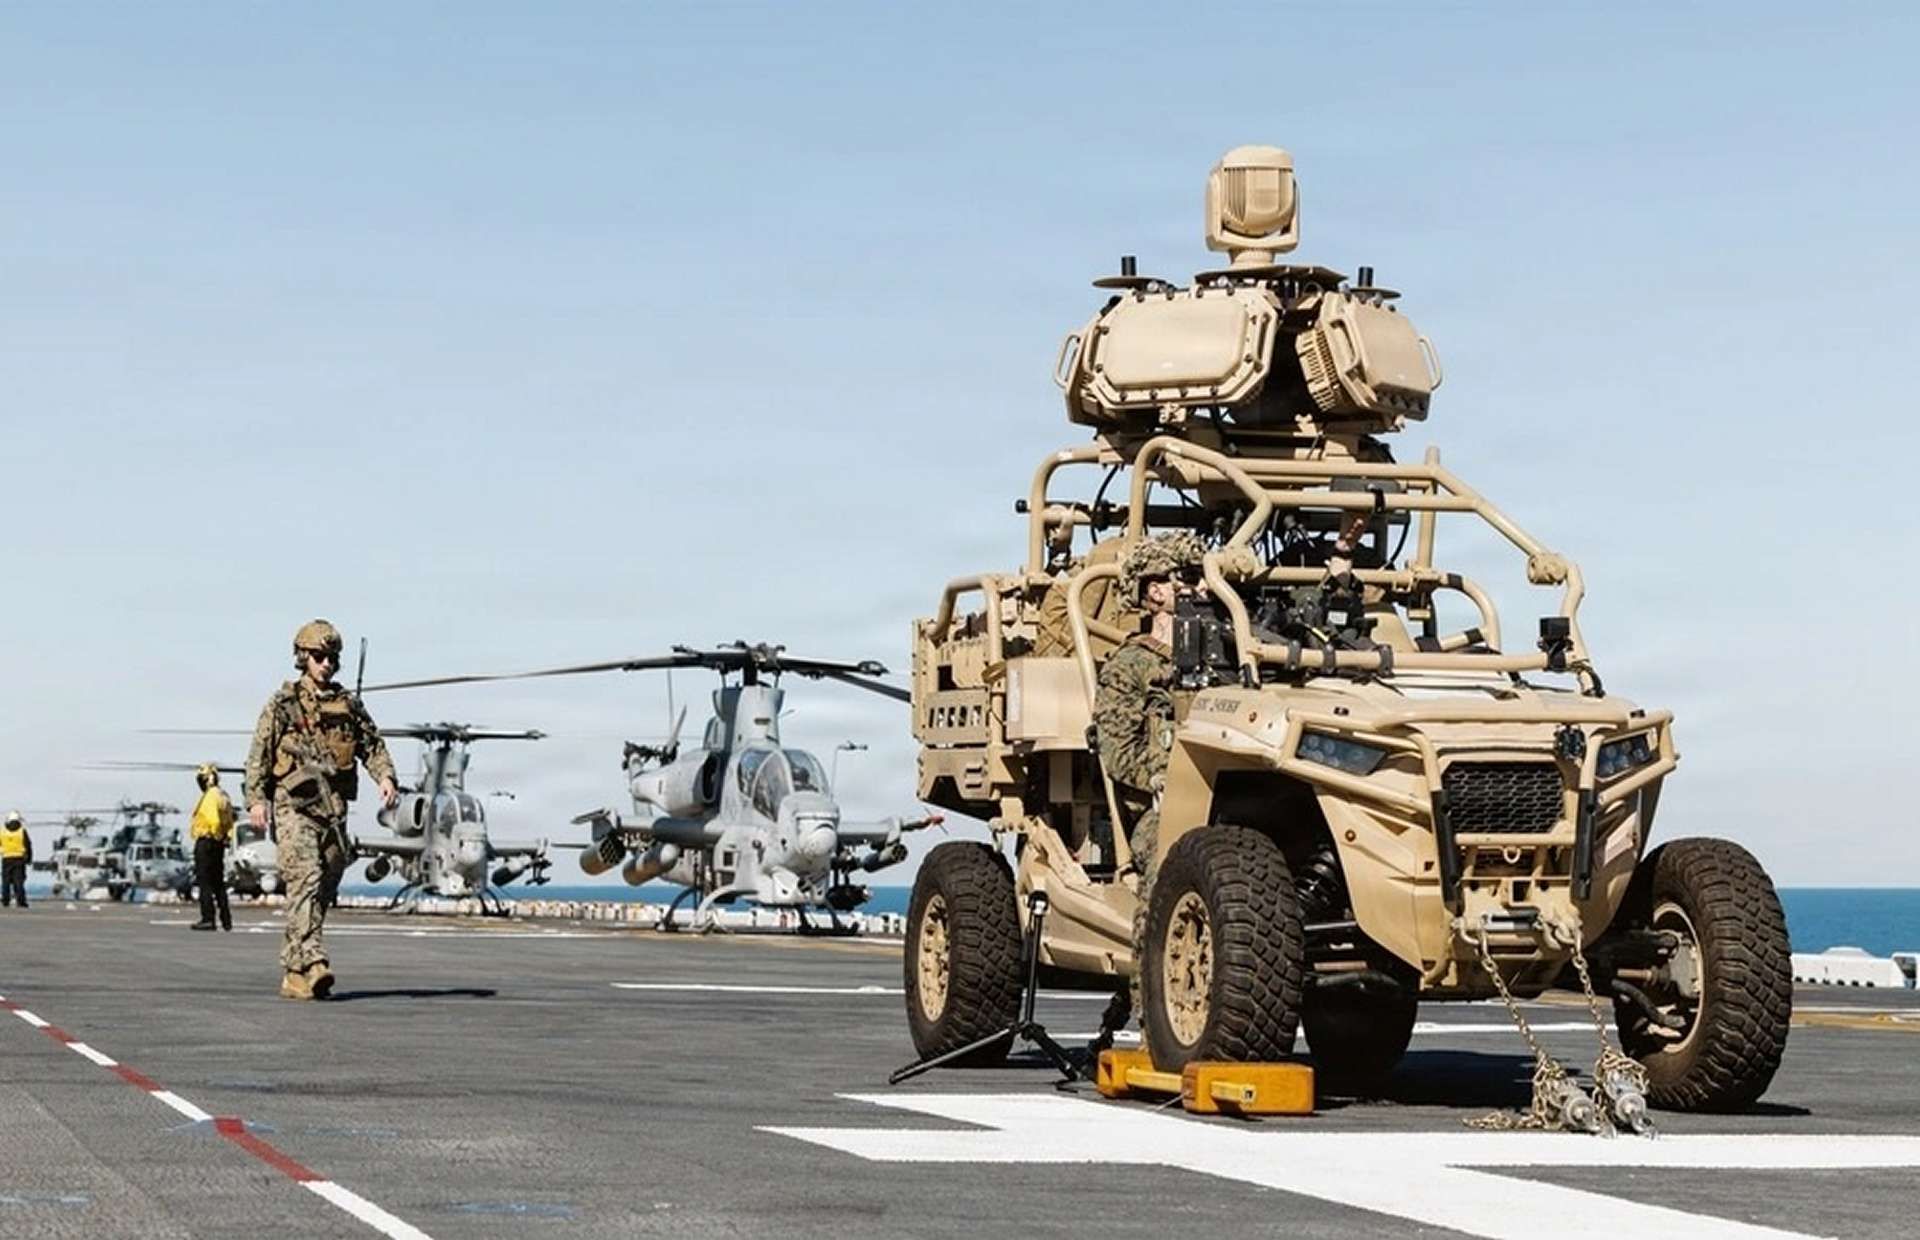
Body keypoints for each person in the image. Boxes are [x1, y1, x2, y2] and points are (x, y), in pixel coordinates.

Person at [245, 620, 397, 1000]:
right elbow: (259, 755)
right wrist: (256, 799)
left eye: (332, 658)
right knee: (306, 877)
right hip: (293, 806)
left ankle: (294, 972)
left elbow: (372, 745)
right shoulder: (283, 704)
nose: (326, 664)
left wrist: (386, 777)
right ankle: (314, 960)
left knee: (324, 883)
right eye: (318, 656)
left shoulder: (347, 704)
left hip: (333, 810)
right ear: (303, 658)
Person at [1093, 532, 1206, 1025]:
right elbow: (1116, 749)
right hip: (1159, 804)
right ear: (1153, 591)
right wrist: (1159, 777)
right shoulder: (1131, 664)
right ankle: (1152, 1008)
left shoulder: (1226, 654)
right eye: (1184, 578)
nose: (1196, 588)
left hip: (1221, 794)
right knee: (1165, 859)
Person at [188, 763, 235, 932]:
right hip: (219, 843)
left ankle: (208, 918)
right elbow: (229, 821)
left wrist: (214, 834)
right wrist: (224, 837)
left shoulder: (210, 796)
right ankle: (226, 919)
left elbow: (213, 820)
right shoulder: (224, 796)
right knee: (218, 883)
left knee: (205, 882)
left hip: (207, 841)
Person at [1, 811, 33, 909]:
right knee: (18, 881)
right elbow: (28, 845)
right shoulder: (22, 831)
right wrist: (29, 859)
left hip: (6, 858)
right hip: (19, 859)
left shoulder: (2, 832)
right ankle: (21, 901)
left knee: (5, 881)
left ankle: (5, 900)